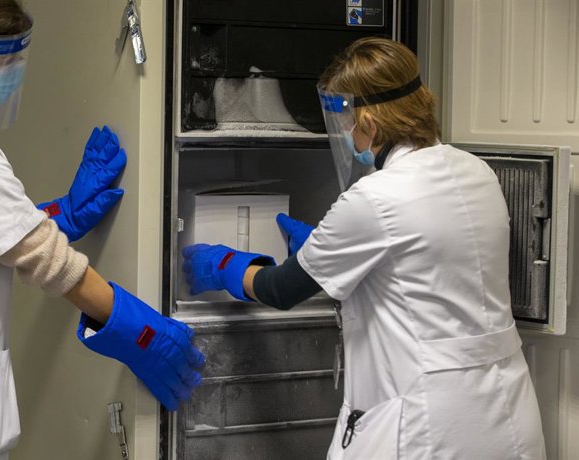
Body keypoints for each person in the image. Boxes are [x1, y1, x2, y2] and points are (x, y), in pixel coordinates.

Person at [183, 37, 546, 459]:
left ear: (371, 124)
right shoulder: (477, 171)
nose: (347, 133)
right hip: (506, 416)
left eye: (349, 122)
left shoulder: (374, 197)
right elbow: (424, 272)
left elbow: (280, 289)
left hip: (427, 427)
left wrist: (224, 264)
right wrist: (326, 250)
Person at [0, 1, 203, 459]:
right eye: (6, 60)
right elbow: (49, 263)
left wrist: (60, 213)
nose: (15, 70)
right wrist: (142, 332)